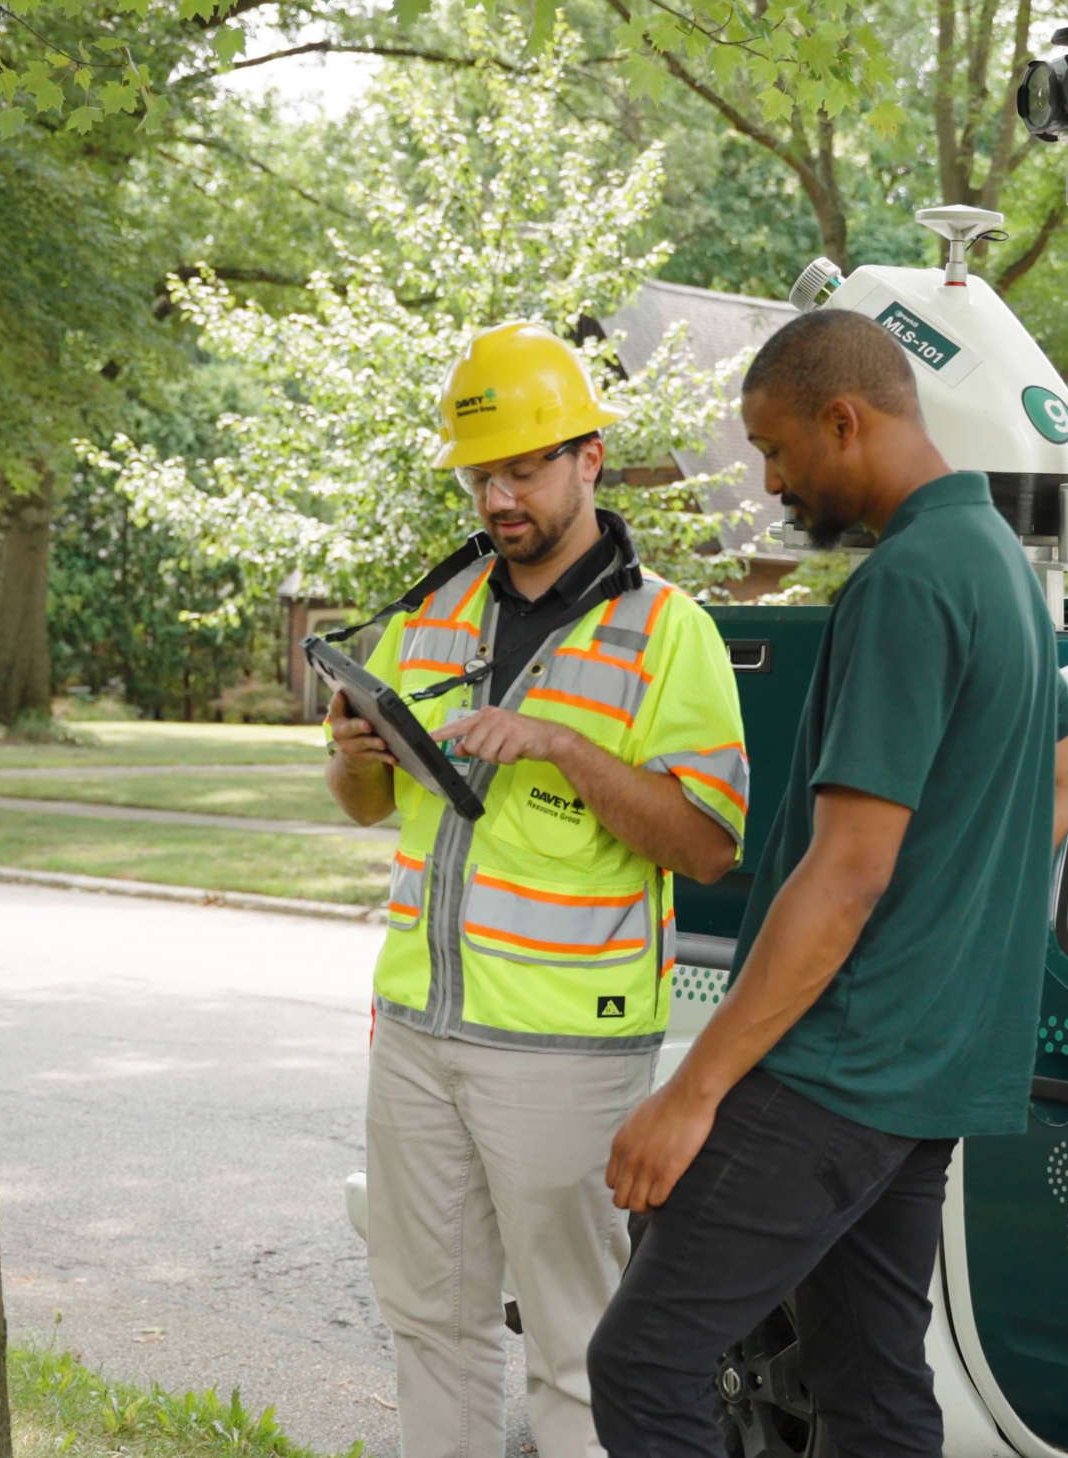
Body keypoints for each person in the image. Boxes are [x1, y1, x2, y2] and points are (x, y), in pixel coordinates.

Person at [587, 309, 1068, 1457]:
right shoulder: (999, 569)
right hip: (930, 1070)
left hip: (841, 1069)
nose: (767, 481)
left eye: (774, 449)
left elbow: (846, 872)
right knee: (868, 1381)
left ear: (843, 419)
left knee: (642, 1364)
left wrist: (692, 1093)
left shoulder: (907, 582)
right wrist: (956, 934)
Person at [325, 320, 750, 1458]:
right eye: (481, 473)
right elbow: (376, 811)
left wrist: (560, 746)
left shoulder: (670, 632)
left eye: (522, 466)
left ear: (589, 460)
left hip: (565, 1049)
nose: (497, 495)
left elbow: (708, 846)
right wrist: (349, 763)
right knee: (431, 1327)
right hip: (418, 1028)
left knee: (578, 1349)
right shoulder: (434, 612)